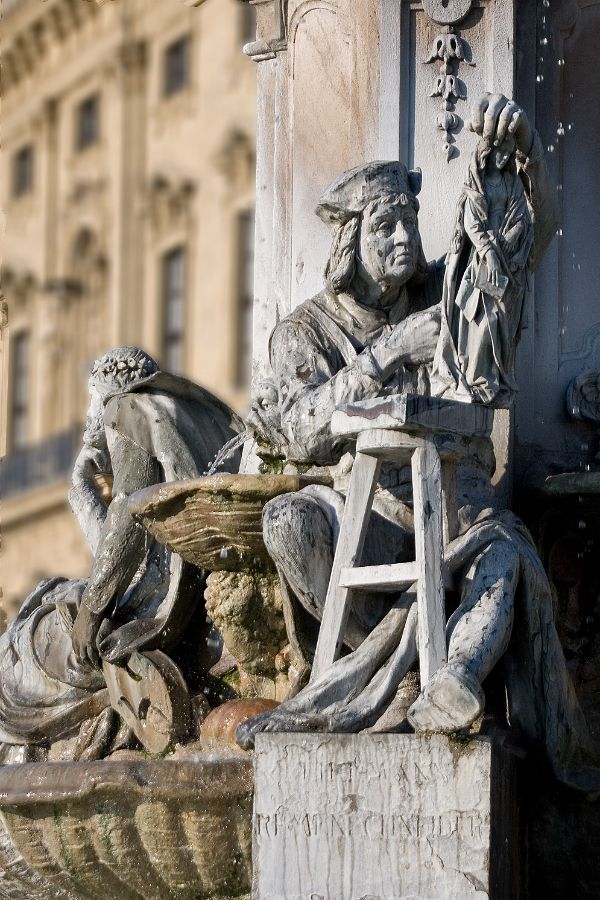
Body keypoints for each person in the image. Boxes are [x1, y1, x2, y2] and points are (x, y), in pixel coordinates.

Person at [238, 96, 599, 790]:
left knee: (506, 549)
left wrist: (528, 159)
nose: (405, 235)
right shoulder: (304, 332)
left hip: (450, 514)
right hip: (363, 519)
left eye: (409, 220)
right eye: (386, 225)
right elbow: (299, 431)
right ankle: (377, 666)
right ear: (351, 243)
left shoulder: (444, 292)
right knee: (287, 521)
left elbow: (532, 241)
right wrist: (387, 354)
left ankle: (453, 677)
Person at [0, 347, 242, 761]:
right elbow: (116, 548)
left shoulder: (125, 409)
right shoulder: (179, 411)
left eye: (91, 396)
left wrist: (93, 609)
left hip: (161, 604)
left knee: (32, 638)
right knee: (54, 594)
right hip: (173, 586)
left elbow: (127, 518)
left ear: (106, 389)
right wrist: (80, 489)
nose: (90, 410)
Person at [431, 131, 534, 405]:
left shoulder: (512, 183)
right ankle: (477, 380)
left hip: (509, 259)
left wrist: (515, 234)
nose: (503, 158)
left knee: (502, 323)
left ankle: (493, 379)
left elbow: (522, 215)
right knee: (482, 321)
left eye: (508, 153)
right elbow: (471, 223)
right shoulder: (476, 184)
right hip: (485, 261)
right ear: (487, 151)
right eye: (500, 151)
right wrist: (489, 252)